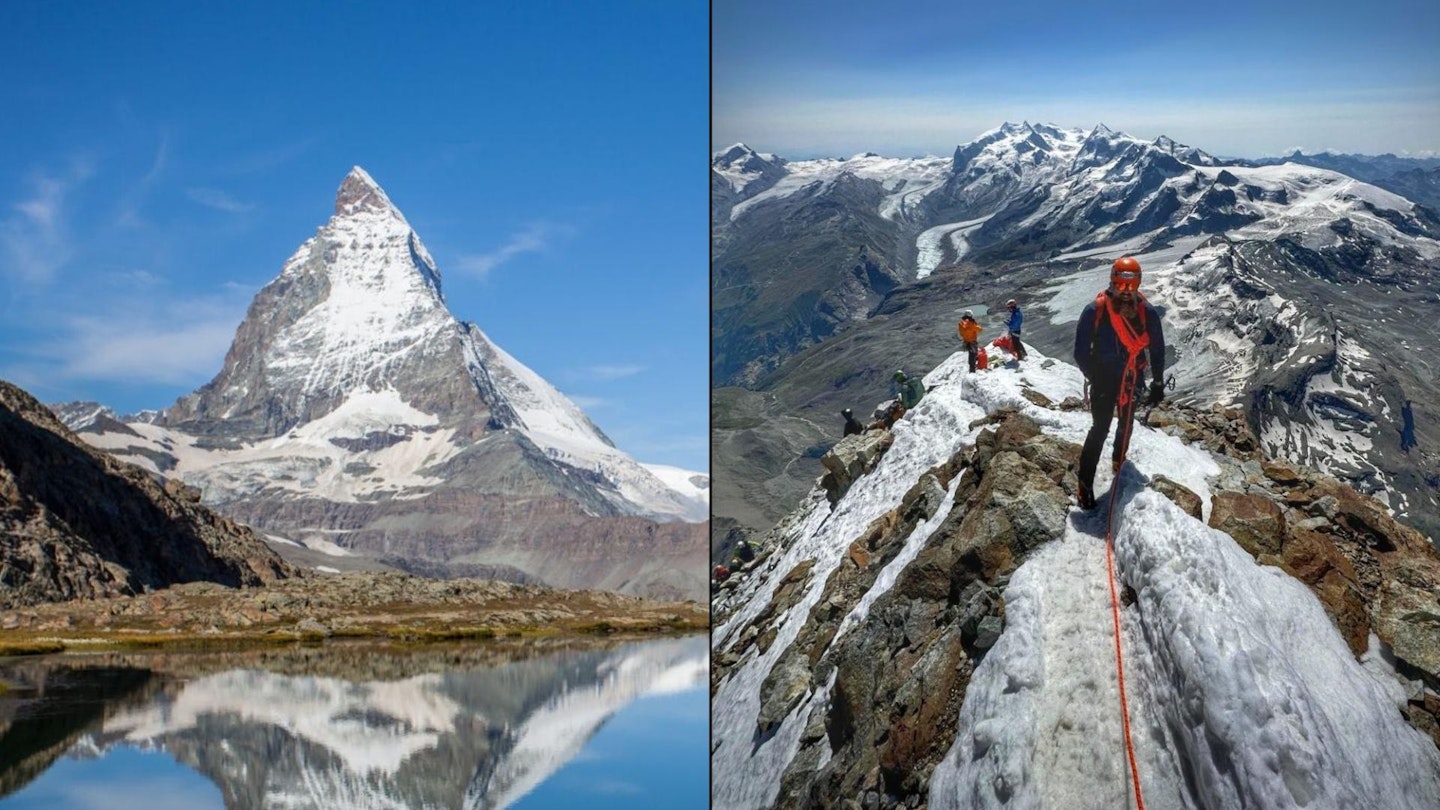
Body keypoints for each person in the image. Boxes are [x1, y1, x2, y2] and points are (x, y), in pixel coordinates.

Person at [1072, 256, 1167, 510]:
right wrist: (1096, 376)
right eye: (1121, 286)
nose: (1126, 293)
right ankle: (1085, 483)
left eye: (1131, 287)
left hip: (1131, 379)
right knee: (1099, 430)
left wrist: (1157, 382)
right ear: (1112, 283)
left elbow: (1157, 349)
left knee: (1125, 425)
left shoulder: (1146, 312)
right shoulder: (1095, 311)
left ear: (1137, 285)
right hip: (1104, 380)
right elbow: (1080, 352)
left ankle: (1118, 460)